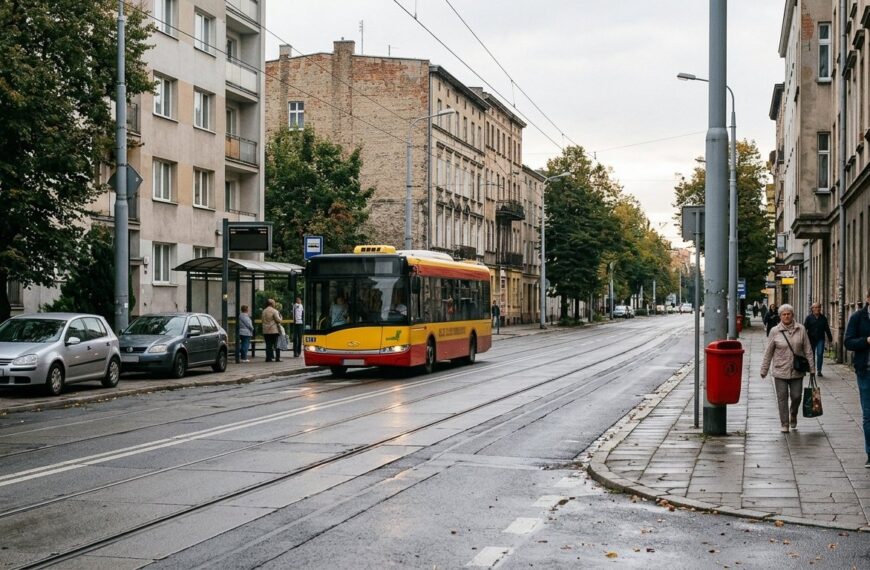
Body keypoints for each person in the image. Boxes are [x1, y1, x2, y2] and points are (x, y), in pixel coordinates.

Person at [760, 304, 815, 433]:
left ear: (792, 315)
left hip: (797, 369)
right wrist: (764, 369)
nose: (786, 316)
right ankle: (784, 423)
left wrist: (812, 368)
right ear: (780, 316)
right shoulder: (774, 331)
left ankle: (793, 413)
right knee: (782, 398)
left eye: (788, 314)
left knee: (796, 396)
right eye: (783, 314)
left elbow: (808, 350)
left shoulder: (801, 329)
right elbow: (768, 352)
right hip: (780, 369)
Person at [844, 288, 870, 468]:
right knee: (868, 414)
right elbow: (848, 342)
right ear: (868, 298)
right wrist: (866, 341)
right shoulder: (858, 317)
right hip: (866, 371)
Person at [804, 302, 833, 377]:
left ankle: (819, 370)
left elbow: (827, 328)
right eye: (816, 307)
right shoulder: (809, 318)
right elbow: (804, 329)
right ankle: (812, 369)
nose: (817, 309)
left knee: (820, 354)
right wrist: (803, 339)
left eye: (819, 307)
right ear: (812, 309)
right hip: (811, 339)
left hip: (820, 339)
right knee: (812, 354)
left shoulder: (823, 318)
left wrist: (830, 338)